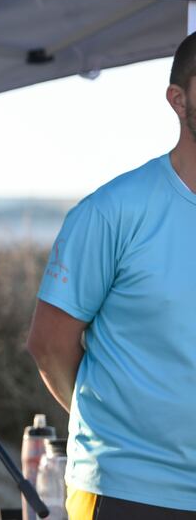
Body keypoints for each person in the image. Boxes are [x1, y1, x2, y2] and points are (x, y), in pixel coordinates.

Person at [26, 33, 196, 520]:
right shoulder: (112, 212)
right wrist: (114, 429)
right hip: (129, 488)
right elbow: (50, 345)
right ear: (178, 99)